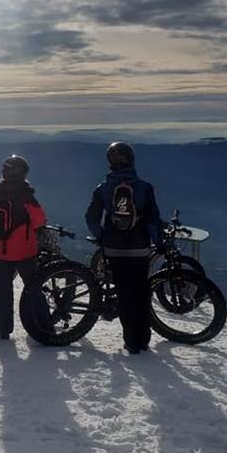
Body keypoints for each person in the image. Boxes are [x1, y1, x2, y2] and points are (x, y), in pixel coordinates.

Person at [85, 142, 163, 354]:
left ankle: (130, 342)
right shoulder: (144, 187)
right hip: (139, 249)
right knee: (141, 292)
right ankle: (142, 340)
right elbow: (153, 220)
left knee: (124, 294)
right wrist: (159, 242)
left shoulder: (102, 189)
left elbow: (91, 218)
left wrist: (103, 237)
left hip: (114, 249)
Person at [0, 155, 47, 341]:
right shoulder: (25, 195)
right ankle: (44, 326)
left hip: (1, 249)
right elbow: (39, 219)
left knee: (4, 291)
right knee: (34, 288)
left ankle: (3, 330)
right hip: (24, 250)